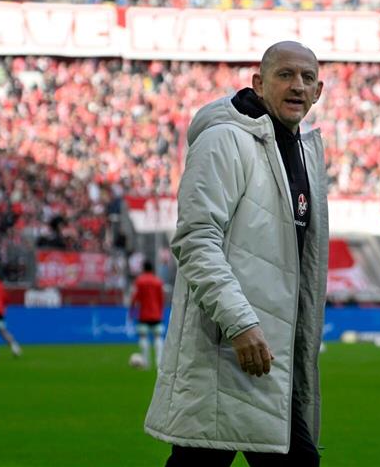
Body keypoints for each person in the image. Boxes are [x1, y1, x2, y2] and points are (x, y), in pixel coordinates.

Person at [144, 41, 329, 466]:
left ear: (319, 91)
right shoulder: (225, 140)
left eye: (306, 78)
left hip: (268, 359)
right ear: (258, 84)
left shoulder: (303, 152)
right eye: (285, 75)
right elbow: (196, 240)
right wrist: (241, 323)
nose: (297, 85)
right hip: (225, 349)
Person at [130, 260, 165, 370]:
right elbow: (161, 299)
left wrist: (132, 311)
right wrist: (160, 312)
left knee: (143, 336)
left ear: (143, 269)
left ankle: (145, 362)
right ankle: (159, 362)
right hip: (156, 314)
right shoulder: (158, 281)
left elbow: (135, 297)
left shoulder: (139, 281)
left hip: (143, 314)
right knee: (158, 336)